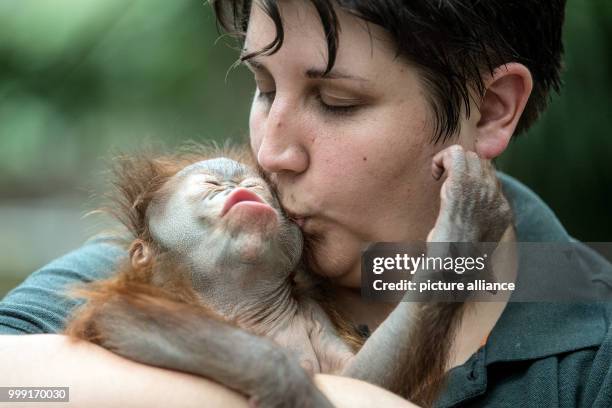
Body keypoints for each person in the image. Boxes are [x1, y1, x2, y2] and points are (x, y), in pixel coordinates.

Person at [2, 1, 612, 407]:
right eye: (263, 87)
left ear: (490, 109)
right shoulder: (195, 253)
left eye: (337, 101)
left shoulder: (589, 356)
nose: (270, 153)